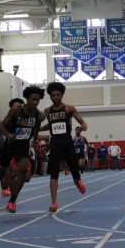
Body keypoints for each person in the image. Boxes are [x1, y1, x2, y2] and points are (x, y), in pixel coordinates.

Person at [40, 82, 88, 212]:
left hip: (67, 143)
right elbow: (51, 125)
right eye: (53, 95)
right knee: (54, 173)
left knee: (74, 168)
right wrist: (39, 129)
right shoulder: (47, 111)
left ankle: (77, 181)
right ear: (50, 96)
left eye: (58, 95)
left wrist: (84, 126)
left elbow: (82, 122)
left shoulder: (69, 108)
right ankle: (54, 203)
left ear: (62, 95)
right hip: (55, 143)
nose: (55, 97)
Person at [0, 86, 45, 213]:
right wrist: (9, 135)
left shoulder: (39, 115)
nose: (35, 102)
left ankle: (12, 201)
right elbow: (2, 127)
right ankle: (1, 177)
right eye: (33, 99)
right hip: (10, 144)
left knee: (24, 169)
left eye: (37, 100)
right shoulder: (16, 110)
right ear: (27, 98)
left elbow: (36, 130)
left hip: (23, 145)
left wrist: (33, 143)